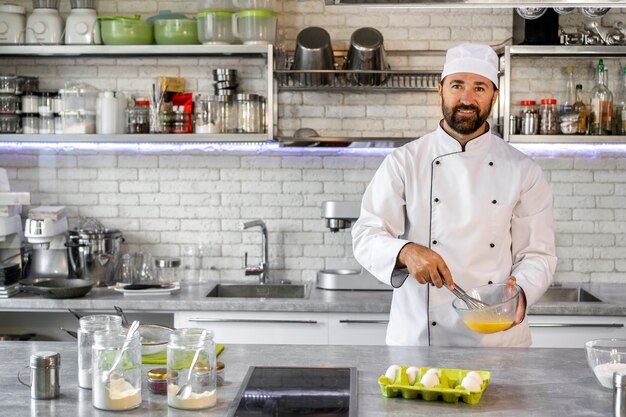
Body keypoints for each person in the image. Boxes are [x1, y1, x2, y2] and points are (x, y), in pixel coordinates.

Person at [351, 43, 557, 347]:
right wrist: (406, 251)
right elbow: (367, 234)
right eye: (457, 85)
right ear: (440, 90)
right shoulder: (404, 161)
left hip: (496, 340)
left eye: (479, 88)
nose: (467, 99)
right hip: (421, 338)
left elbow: (538, 254)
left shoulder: (523, 169)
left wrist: (521, 291)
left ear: (494, 96)